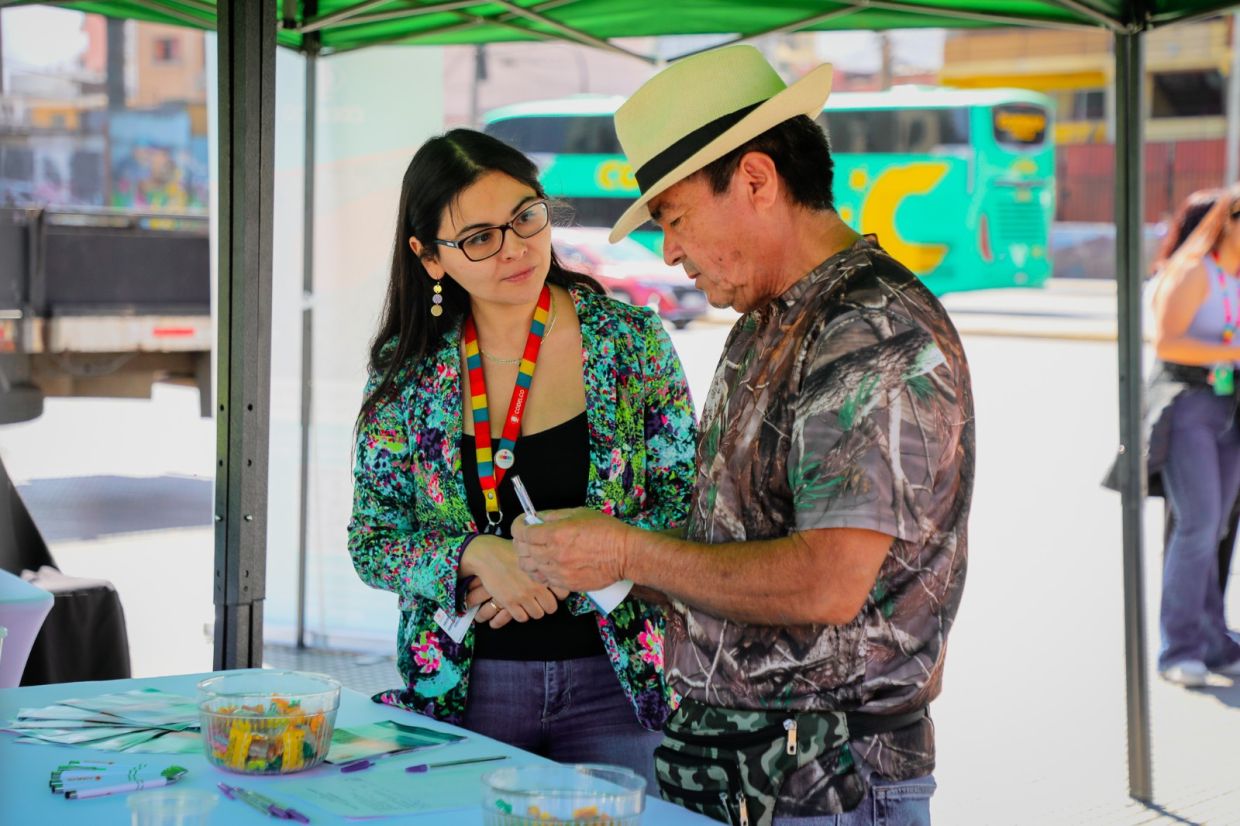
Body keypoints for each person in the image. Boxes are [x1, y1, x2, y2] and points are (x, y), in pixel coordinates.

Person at [512, 45, 973, 826]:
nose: (670, 250)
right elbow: (734, 547)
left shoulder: (868, 328)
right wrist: (601, 556)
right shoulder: (767, 321)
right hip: (745, 769)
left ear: (757, 179)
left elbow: (826, 583)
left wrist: (626, 553)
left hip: (823, 780)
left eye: (675, 217)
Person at [346, 128, 697, 786]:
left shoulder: (631, 341)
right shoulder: (407, 370)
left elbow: (689, 507)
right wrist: (474, 556)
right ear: (430, 258)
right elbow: (373, 542)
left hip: (618, 683)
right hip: (466, 691)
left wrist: (574, 563)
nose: (514, 248)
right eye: (479, 238)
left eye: (525, 218)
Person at [1138, 188, 1240, 686]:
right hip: (1189, 404)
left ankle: (1213, 641)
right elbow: (1167, 341)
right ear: (1229, 222)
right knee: (1197, 525)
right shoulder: (1195, 270)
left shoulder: (1233, 276)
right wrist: (1232, 352)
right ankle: (1178, 648)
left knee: (1215, 527)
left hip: (1229, 405)